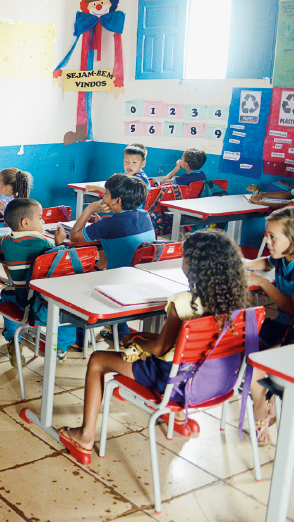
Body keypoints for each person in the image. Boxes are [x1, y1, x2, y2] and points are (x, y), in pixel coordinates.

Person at [58, 230, 249, 461]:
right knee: (169, 353)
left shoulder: (183, 302)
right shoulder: (235, 305)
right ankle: (179, 417)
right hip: (215, 382)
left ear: (194, 266)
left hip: (173, 382)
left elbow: (160, 349)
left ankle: (85, 435)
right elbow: (180, 343)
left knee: (98, 360)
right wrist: (140, 338)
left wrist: (137, 340)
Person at [70, 173, 154, 341]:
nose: (103, 197)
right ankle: (121, 333)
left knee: (76, 283)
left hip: (116, 284)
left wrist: (89, 209)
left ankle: (79, 340)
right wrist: (100, 226)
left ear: (117, 201)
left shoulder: (109, 224)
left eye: (106, 194)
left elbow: (74, 236)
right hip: (141, 280)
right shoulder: (145, 216)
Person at [0, 198, 73, 364]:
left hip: (24, 305)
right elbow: (60, 257)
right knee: (69, 311)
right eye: (39, 218)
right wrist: (59, 243)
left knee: (5, 294)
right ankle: (61, 347)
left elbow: (1, 239)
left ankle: (13, 339)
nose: (43, 221)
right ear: (25, 223)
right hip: (51, 308)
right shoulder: (46, 243)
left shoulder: (7, 243)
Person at [245, 207, 294, 444]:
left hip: (291, 332)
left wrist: (263, 283)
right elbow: (268, 262)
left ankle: (264, 410)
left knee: (256, 366)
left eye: (273, 237)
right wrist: (246, 265)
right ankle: (269, 400)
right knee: (245, 348)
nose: (268, 242)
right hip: (283, 326)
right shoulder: (284, 258)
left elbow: (292, 309)